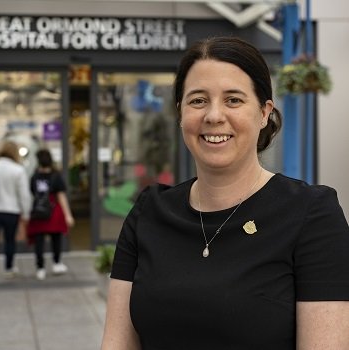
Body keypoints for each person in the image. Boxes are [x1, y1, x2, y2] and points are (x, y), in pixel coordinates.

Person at [101, 37, 349, 350]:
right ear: (180, 113)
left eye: (233, 100)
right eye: (198, 100)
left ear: (263, 113)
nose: (214, 116)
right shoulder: (149, 212)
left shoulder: (312, 215)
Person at [27, 148, 74, 280]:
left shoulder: (34, 177)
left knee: (39, 240)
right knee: (56, 238)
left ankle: (40, 268)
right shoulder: (56, 176)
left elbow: (32, 193)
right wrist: (68, 215)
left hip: (39, 210)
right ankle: (57, 263)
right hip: (54, 210)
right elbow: (61, 197)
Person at [0, 140, 31, 278]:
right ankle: (9, 267)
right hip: (11, 210)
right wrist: (26, 213)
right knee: (10, 240)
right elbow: (24, 194)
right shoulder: (18, 170)